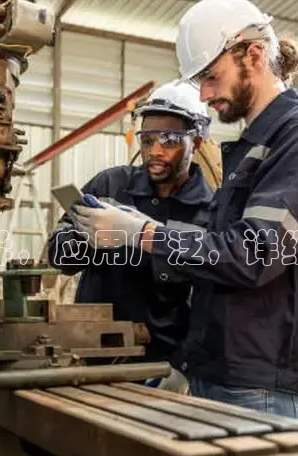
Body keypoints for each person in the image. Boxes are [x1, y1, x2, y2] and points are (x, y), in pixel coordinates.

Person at [71, 0, 298, 419]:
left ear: (254, 55)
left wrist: (142, 235)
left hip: (259, 381)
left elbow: (253, 254)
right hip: (221, 370)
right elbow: (217, 252)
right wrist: (189, 359)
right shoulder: (254, 147)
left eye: (211, 77)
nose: (205, 96)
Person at [45, 81, 214, 382]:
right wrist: (89, 238)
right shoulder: (110, 186)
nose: (155, 151)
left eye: (170, 141)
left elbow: (208, 299)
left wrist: (181, 368)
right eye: (147, 140)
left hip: (160, 367)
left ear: (197, 143)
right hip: (91, 356)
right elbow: (59, 256)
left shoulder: (209, 211)